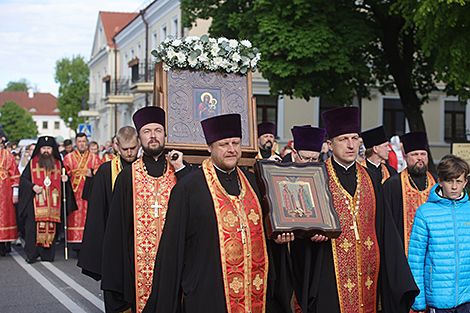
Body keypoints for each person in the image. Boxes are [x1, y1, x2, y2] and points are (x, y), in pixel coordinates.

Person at [289, 106, 418, 313]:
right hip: (329, 275)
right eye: (343, 139)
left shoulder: (372, 178)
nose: (351, 145)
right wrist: (310, 233)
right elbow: (298, 229)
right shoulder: (315, 177)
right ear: (330, 144)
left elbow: (386, 230)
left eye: (355, 138)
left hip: (369, 275)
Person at [142, 113, 273, 313]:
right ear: (209, 147)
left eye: (236, 143)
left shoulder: (253, 182)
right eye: (224, 144)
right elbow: (172, 249)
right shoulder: (189, 187)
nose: (231, 149)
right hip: (208, 292)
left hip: (252, 291)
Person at [101, 107, 191, 313]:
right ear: (139, 138)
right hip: (138, 263)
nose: (153, 136)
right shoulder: (127, 177)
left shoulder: (181, 171)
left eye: (158, 130)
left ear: (165, 135)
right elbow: (117, 230)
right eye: (147, 131)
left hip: (175, 261)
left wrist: (181, 169)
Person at [408, 155, 470, 313]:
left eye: (459, 181)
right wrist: (419, 300)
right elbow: (416, 260)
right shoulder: (425, 212)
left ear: (466, 182)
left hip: (467, 298)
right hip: (438, 298)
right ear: (440, 181)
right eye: (450, 181)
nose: (454, 187)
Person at [78, 126, 141, 281]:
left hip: (140, 236)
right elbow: (97, 211)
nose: (129, 153)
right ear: (116, 146)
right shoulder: (106, 171)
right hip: (114, 236)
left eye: (133, 148)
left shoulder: (144, 169)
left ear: (139, 143)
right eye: (125, 149)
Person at [17, 136, 76, 263]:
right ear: (39, 149)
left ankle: (47, 255)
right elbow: (23, 181)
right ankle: (32, 255)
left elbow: (66, 185)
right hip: (34, 204)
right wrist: (33, 187)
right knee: (32, 230)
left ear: (52, 149)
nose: (46, 151)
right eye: (43, 148)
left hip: (52, 205)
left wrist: (65, 181)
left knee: (51, 229)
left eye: (48, 148)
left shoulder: (58, 164)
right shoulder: (32, 164)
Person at [383, 131, 437, 255]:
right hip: (402, 250)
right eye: (415, 154)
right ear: (406, 157)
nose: (420, 158)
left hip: (432, 250)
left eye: (423, 154)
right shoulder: (393, 184)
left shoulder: (436, 183)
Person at [63, 133, 101, 253]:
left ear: (87, 143)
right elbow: (65, 170)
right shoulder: (68, 157)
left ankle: (87, 242)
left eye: (84, 141)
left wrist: (93, 172)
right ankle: (75, 243)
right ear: (75, 143)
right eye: (79, 141)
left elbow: (100, 170)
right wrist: (65, 176)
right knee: (74, 216)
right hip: (74, 191)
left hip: (88, 191)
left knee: (87, 216)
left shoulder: (94, 158)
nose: (82, 144)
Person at [0, 134, 20, 256]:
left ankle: (4, 245)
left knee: (4, 218)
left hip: (5, 192)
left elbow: (15, 175)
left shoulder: (8, 155)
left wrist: (15, 193)